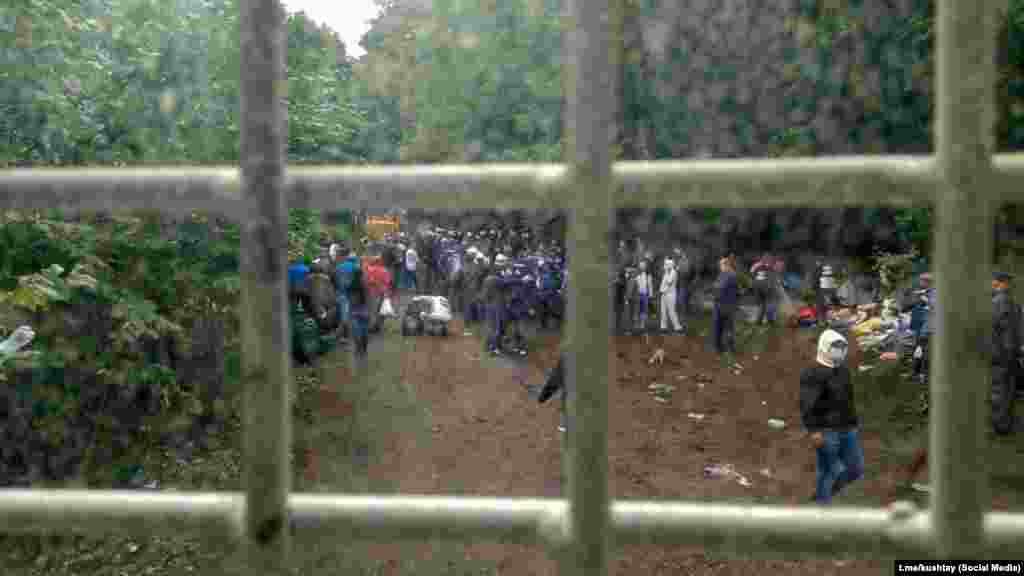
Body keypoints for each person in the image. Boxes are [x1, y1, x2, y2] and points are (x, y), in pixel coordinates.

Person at [800, 328, 864, 505]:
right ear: (824, 347)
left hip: (848, 429)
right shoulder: (812, 373)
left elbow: (849, 398)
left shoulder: (843, 370)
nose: (839, 350)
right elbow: (807, 405)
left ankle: (824, 493)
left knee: (856, 469)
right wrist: (814, 431)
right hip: (827, 431)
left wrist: (853, 422)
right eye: (835, 346)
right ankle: (822, 505)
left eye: (842, 346)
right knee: (828, 470)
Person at [991, 271, 1019, 435]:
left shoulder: (999, 302)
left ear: (1001, 283)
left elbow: (1001, 327)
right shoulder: (1012, 303)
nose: (992, 284)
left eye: (995, 282)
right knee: (1007, 388)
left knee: (1001, 388)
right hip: (1008, 351)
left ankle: (1001, 424)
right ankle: (1004, 422)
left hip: (1002, 352)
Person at [346, 249, 371, 357]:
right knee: (364, 329)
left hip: (354, 310)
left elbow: (348, 297)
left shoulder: (351, 284)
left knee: (356, 331)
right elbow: (368, 297)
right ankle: (364, 349)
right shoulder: (365, 284)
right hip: (364, 309)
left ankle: (358, 348)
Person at [711, 256, 738, 354]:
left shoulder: (729, 275)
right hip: (724, 305)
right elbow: (716, 286)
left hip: (724, 305)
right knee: (723, 328)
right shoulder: (725, 274)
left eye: (721, 265)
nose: (720, 267)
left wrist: (715, 292)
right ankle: (723, 348)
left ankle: (724, 348)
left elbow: (718, 288)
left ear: (726, 265)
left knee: (724, 328)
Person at [751, 252, 777, 326]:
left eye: (769, 257)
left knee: (763, 305)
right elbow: (772, 276)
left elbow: (752, 275)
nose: (769, 259)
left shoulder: (756, 265)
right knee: (766, 304)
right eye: (767, 257)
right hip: (764, 287)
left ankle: (760, 321)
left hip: (760, 287)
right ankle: (768, 321)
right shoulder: (769, 266)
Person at [659, 257, 684, 333]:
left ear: (671, 264)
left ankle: (677, 327)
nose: (665, 265)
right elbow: (663, 283)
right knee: (663, 311)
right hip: (664, 294)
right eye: (665, 264)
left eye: (667, 264)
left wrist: (666, 272)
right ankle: (663, 327)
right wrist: (661, 290)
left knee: (671, 311)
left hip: (671, 294)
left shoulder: (673, 272)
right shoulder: (666, 272)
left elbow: (669, 281)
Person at [634, 260, 652, 333]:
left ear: (645, 267)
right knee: (637, 309)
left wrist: (650, 295)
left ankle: (642, 325)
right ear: (639, 266)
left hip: (645, 295)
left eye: (643, 265)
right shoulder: (636, 275)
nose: (642, 267)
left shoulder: (648, 275)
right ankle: (636, 325)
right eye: (641, 265)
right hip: (638, 294)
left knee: (643, 310)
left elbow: (650, 285)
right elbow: (634, 285)